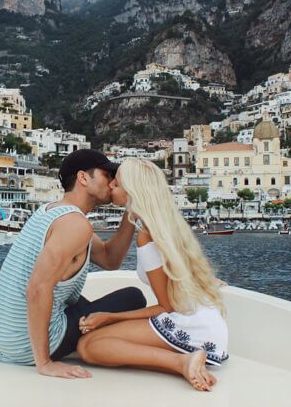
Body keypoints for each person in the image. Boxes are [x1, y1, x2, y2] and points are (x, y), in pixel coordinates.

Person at [0, 149, 146, 379]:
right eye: (107, 174)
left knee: (82, 303)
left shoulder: (51, 212)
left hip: (2, 340)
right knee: (133, 297)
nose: (113, 182)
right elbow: (37, 289)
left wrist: (131, 209)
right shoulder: (74, 225)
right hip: (23, 346)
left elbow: (110, 260)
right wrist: (44, 363)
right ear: (83, 178)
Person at [76, 158, 227, 391]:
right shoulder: (168, 226)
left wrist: (110, 317)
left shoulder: (147, 236)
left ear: (134, 191)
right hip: (206, 323)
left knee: (88, 346)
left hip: (189, 324)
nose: (111, 187)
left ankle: (182, 361)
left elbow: (166, 307)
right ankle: (185, 361)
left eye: (117, 183)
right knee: (96, 342)